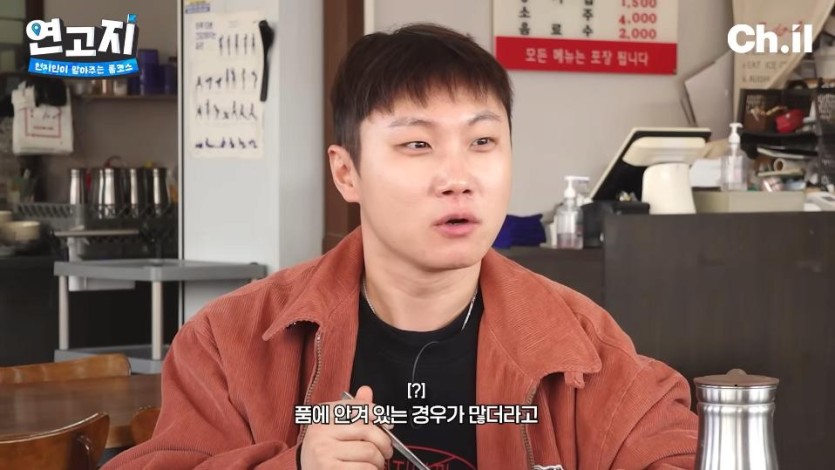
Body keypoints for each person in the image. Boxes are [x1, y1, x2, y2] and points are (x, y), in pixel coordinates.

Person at [104, 23, 697, 470]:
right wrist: (297, 465)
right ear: (347, 173)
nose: (458, 177)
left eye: (483, 141)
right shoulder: (229, 342)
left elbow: (671, 448)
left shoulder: (579, 344)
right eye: (417, 145)